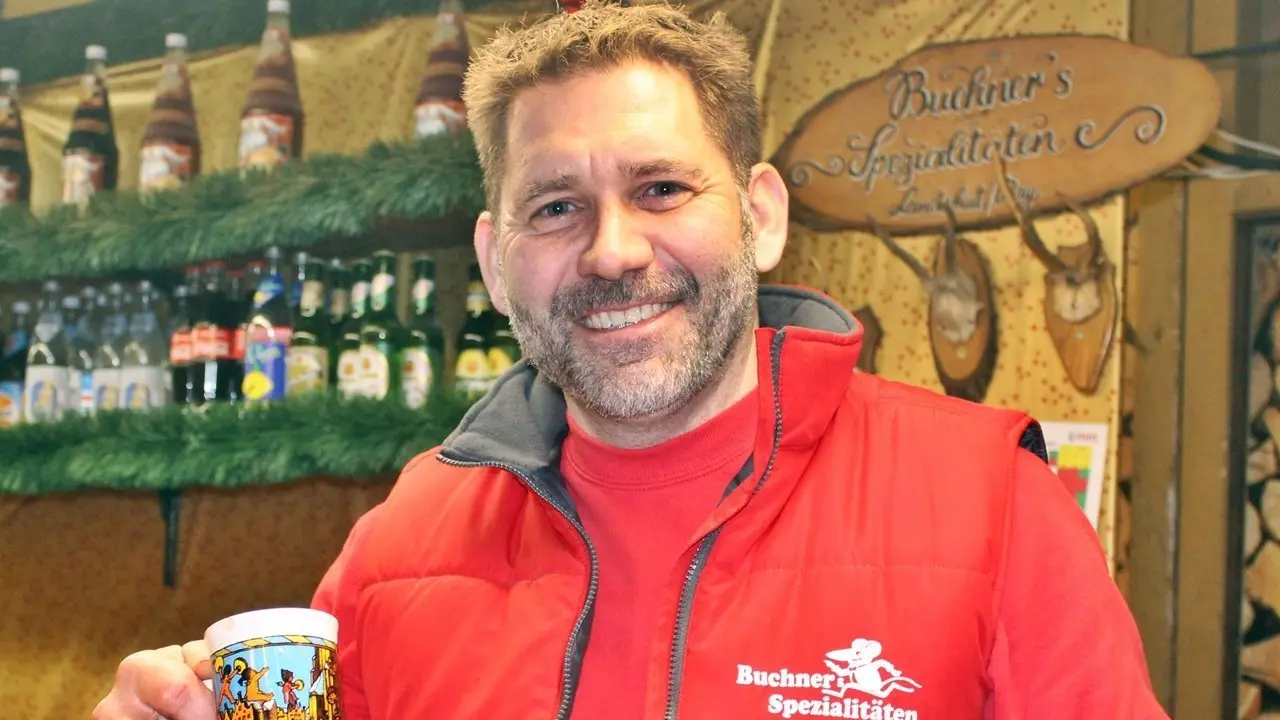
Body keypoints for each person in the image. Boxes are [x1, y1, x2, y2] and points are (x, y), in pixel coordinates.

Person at [94, 3, 1169, 719]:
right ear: (495, 261)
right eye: (555, 207)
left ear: (758, 216)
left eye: (660, 188)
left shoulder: (991, 505)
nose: (612, 251)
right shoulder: (397, 546)